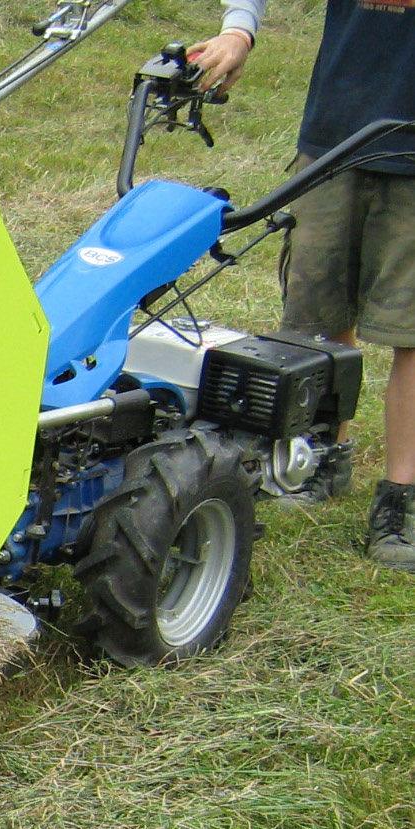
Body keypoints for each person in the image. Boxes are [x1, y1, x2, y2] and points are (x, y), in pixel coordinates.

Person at [189, 0, 415, 573]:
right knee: (316, 311)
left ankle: (400, 502)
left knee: (412, 332)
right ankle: (317, 457)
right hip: (336, 137)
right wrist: (239, 30)